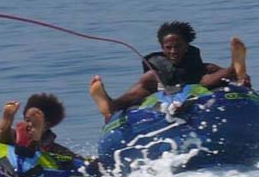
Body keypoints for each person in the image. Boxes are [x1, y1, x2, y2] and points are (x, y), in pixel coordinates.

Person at [90, 21, 248, 120]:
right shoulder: (155, 69)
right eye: (168, 47)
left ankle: (235, 68)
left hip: (197, 83)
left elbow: (246, 87)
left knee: (208, 76)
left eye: (177, 46)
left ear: (187, 46)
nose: (173, 51)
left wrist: (243, 83)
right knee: (147, 80)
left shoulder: (201, 67)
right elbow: (140, 90)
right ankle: (111, 105)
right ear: (162, 48)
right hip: (161, 90)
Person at [0, 93, 80, 158]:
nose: (28, 124)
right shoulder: (16, 133)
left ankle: (34, 138)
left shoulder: (53, 146)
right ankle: (6, 127)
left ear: (48, 125)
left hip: (34, 158)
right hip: (6, 154)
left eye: (34, 121)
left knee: (34, 152)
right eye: (27, 119)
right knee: (5, 141)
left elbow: (73, 159)